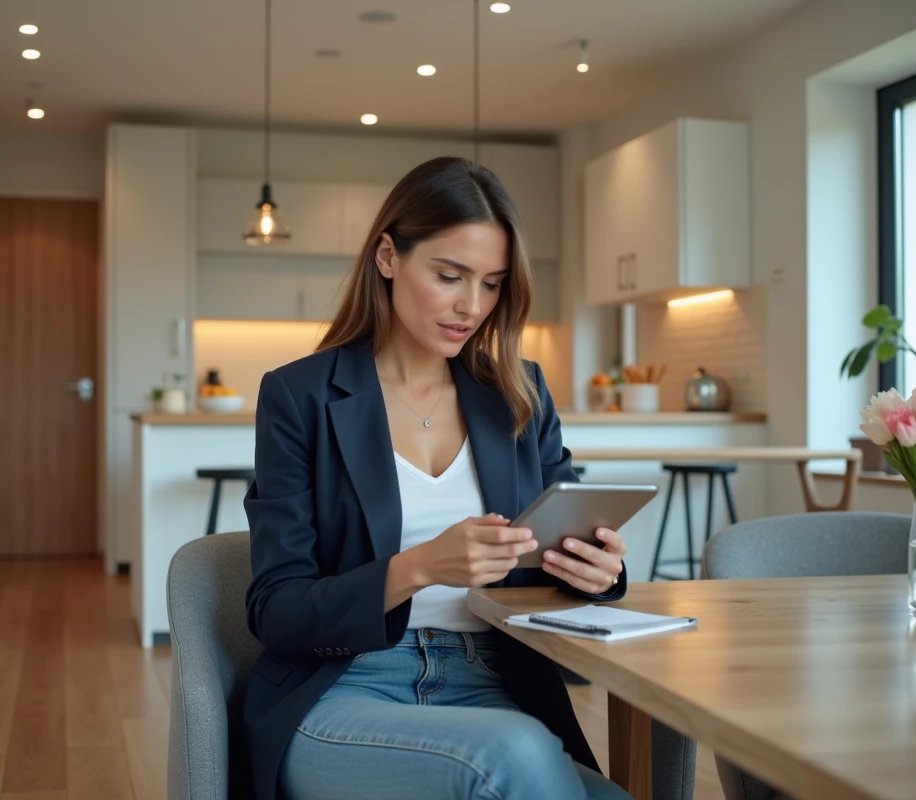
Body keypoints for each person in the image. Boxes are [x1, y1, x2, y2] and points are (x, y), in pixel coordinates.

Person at [242, 156, 632, 800]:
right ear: (388, 257)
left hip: (495, 684)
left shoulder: (519, 393)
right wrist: (418, 567)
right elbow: (276, 611)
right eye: (449, 276)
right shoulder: (299, 396)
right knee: (515, 754)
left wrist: (598, 571)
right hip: (345, 690)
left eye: (492, 284)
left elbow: (557, 549)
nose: (471, 306)